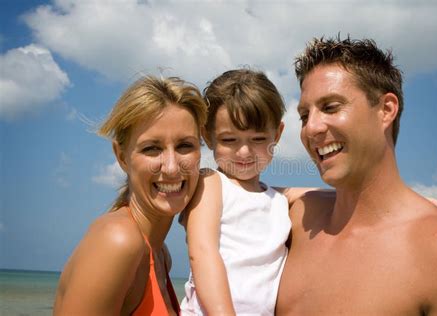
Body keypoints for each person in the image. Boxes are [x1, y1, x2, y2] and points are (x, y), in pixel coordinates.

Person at [276, 36, 437, 315]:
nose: (311, 128)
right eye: (304, 115)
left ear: (386, 110)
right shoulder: (295, 220)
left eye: (331, 107)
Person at [53, 75, 208, 315]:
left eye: (185, 146)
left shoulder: (160, 255)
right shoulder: (118, 241)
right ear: (122, 156)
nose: (171, 167)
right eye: (152, 148)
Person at [180, 69, 309, 315]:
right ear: (207, 135)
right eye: (229, 140)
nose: (244, 152)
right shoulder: (211, 183)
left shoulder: (278, 200)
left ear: (278, 134)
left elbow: (323, 194)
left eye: (258, 139)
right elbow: (202, 252)